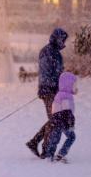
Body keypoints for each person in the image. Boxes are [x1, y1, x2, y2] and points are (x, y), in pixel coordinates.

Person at [26, 28, 68, 157]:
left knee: (55, 119)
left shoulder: (56, 53)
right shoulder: (48, 52)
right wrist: (48, 87)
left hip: (55, 91)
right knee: (55, 120)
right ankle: (45, 150)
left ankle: (35, 141)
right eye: (62, 39)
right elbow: (45, 72)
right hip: (49, 90)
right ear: (56, 38)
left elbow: (58, 72)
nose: (64, 42)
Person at [43, 71, 77, 163]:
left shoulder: (60, 94)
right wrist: (70, 123)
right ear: (68, 85)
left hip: (56, 120)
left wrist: (55, 119)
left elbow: (55, 109)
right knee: (71, 137)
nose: (75, 87)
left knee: (55, 139)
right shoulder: (66, 96)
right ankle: (61, 154)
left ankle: (50, 156)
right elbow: (67, 112)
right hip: (64, 121)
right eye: (74, 84)